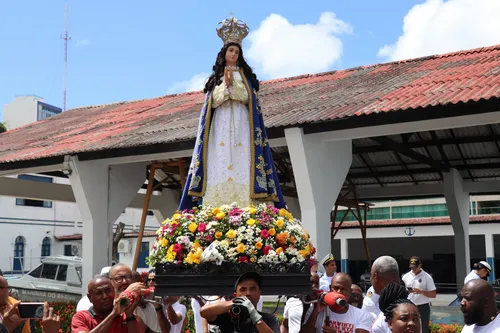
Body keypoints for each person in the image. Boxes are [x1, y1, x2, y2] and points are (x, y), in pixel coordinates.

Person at [179, 15, 286, 210]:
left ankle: (247, 199)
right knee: (219, 156)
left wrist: (234, 89)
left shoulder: (244, 77)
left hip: (242, 122)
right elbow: (211, 103)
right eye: (231, 50)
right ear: (224, 52)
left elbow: (249, 98)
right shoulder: (217, 77)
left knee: (241, 155)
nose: (234, 54)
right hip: (220, 123)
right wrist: (224, 88)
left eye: (237, 51)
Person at [200, 271, 279, 333]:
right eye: (243, 289)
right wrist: (235, 302)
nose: (248, 293)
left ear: (259, 294)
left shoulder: (268, 319)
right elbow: (204, 312)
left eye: (252, 289)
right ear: (235, 295)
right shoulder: (228, 317)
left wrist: (255, 315)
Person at [301, 273, 373, 333]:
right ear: (330, 288)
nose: (339, 292)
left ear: (350, 292)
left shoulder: (362, 315)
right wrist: (316, 311)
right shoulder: (316, 310)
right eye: (335, 288)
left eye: (343, 289)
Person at [71, 275, 141, 333]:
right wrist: (113, 314)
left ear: (114, 291)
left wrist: (129, 315)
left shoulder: (125, 316)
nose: (105, 296)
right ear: (90, 298)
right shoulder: (81, 317)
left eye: (108, 291)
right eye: (99, 293)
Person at [402, 256, 436, 333]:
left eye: (415, 267)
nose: (413, 269)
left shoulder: (427, 277)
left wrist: (421, 292)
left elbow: (433, 294)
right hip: (409, 305)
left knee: (423, 329)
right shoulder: (405, 277)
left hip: (423, 307)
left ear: (420, 265)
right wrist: (408, 291)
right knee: (408, 328)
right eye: (412, 267)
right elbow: (401, 291)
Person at [362, 256, 400, 321]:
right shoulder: (371, 291)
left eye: (371, 275)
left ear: (375, 276)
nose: (370, 278)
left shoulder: (401, 306)